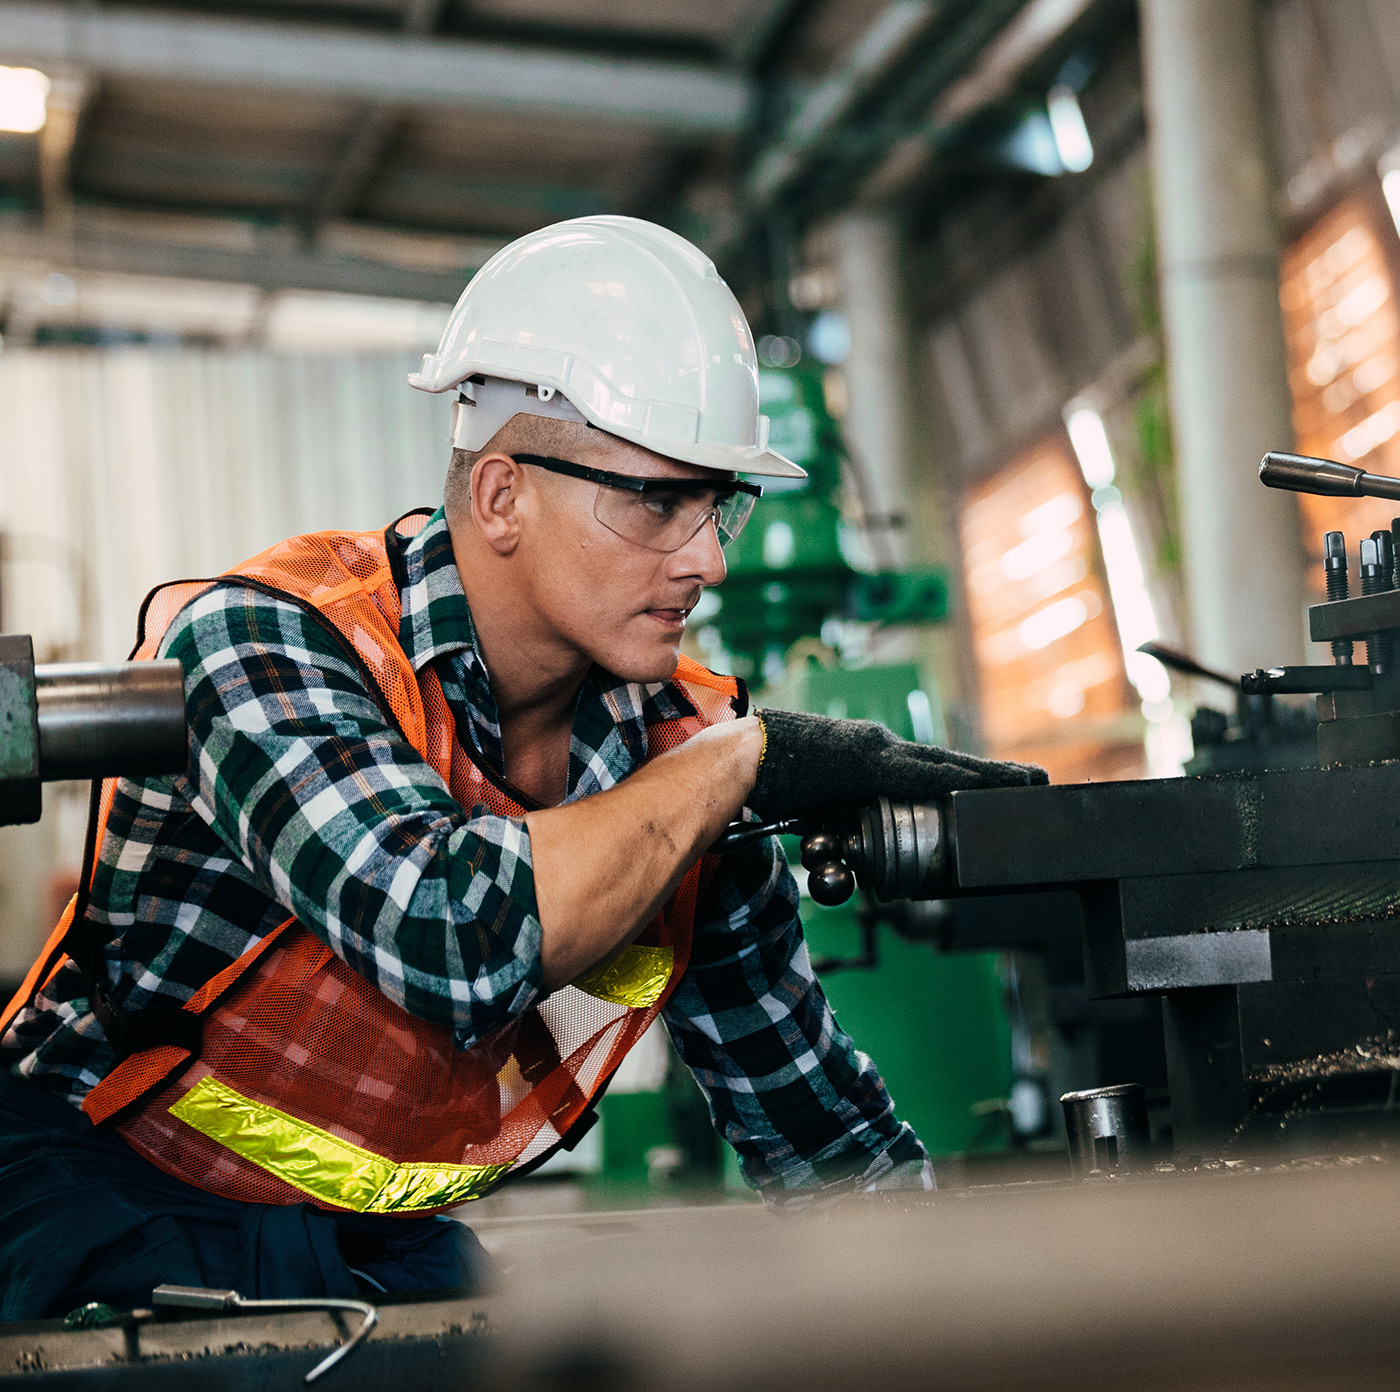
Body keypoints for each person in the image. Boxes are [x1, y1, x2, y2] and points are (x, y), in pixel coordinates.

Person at [0, 216, 1044, 1321]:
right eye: (655, 498)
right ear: (499, 495)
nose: (708, 558)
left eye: (716, 503)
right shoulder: (269, 642)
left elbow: (817, 1125)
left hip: (369, 1244)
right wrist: (746, 761)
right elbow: (454, 937)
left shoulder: (682, 755)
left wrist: (992, 1320)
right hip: (91, 1195)